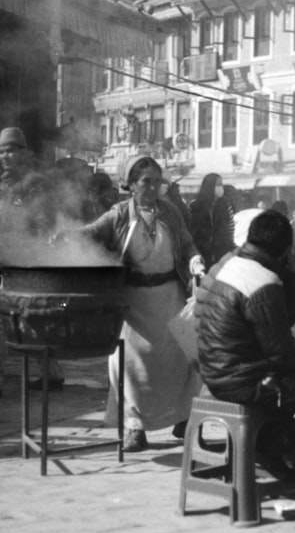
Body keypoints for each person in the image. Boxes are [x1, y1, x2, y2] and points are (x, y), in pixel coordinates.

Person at [194, 209, 295, 506]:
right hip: (243, 379)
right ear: (284, 250)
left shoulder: (233, 264)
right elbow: (279, 352)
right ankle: (269, 445)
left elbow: (272, 342)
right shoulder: (263, 282)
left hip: (215, 370)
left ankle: (276, 447)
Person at [69, 156, 205, 451]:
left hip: (170, 296)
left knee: (181, 359)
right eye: (146, 181)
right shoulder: (118, 214)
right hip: (133, 302)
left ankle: (183, 418)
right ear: (131, 185)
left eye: (157, 181)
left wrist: (195, 260)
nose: (154, 187)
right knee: (127, 365)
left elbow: (186, 243)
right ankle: (134, 427)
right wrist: (65, 235)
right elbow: (92, 232)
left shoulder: (171, 212)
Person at [0, 127, 64, 400]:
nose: (5, 155)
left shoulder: (34, 183)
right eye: (1, 151)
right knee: (33, 319)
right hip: (14, 263)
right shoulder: (5, 183)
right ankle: (52, 374)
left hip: (27, 263)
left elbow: (46, 223)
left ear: (23, 151)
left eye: (10, 150)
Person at [189, 173, 236, 269]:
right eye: (218, 185)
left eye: (221, 185)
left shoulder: (226, 206)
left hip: (222, 253)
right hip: (202, 254)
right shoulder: (195, 206)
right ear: (209, 186)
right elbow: (190, 231)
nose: (221, 188)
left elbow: (230, 230)